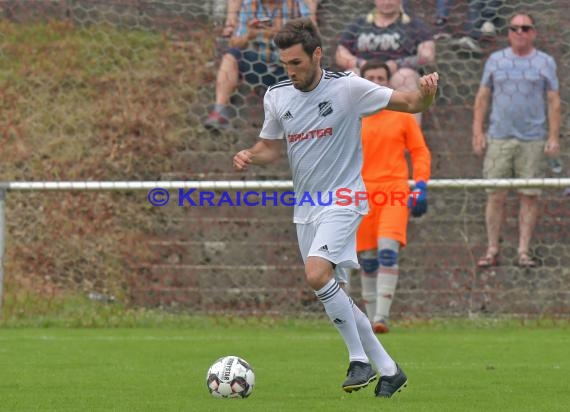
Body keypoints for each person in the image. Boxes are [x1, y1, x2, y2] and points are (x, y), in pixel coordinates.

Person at [233, 17, 438, 397]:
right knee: (334, 291)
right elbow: (271, 148)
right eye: (285, 65)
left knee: (316, 274)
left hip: (344, 198)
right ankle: (390, 370)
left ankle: (358, 359)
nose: (290, 71)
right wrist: (250, 154)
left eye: (297, 63)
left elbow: (409, 103)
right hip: (306, 207)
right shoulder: (277, 96)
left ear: (317, 54)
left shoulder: (348, 88)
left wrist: (426, 95)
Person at [472, 12, 560, 268]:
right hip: (499, 136)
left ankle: (523, 250)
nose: (520, 32)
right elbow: (482, 97)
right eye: (514, 28)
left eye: (525, 28)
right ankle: (492, 248)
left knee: (529, 195)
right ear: (508, 32)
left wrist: (553, 136)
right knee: (495, 194)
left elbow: (554, 101)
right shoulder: (496, 60)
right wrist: (478, 131)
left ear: (534, 32)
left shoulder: (545, 62)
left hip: (532, 138)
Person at [356, 60, 431, 334]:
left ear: (388, 82)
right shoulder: (354, 116)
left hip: (394, 191)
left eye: (380, 77)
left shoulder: (402, 116)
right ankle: (369, 320)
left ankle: (381, 318)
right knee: (367, 258)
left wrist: (420, 184)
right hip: (360, 193)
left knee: (388, 251)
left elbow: (420, 151)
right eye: (370, 77)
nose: (375, 81)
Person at [204, 0, 316, 131]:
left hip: (287, 70)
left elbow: (312, 40)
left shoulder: (297, 5)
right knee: (231, 56)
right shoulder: (249, 6)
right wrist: (249, 35)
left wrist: (282, 33)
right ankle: (220, 113)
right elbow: (234, 43)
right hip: (258, 65)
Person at [334, 0, 435, 125]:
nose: (386, 2)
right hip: (364, 75)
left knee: (407, 76)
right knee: (349, 76)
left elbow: (427, 54)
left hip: (397, 76)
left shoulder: (414, 25)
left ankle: (409, 136)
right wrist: (362, 65)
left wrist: (397, 64)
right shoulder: (359, 24)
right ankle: (346, 136)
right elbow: (340, 54)